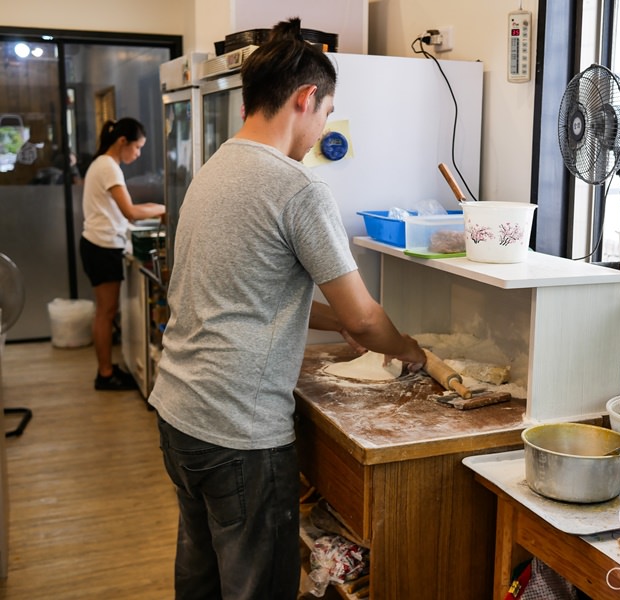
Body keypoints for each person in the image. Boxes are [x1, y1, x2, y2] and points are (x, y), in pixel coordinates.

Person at [148, 18, 426, 600]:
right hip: (238, 431)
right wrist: (408, 350)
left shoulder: (214, 169)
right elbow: (362, 317)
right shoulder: (295, 186)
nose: (324, 125)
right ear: (307, 99)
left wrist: (334, 325)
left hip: (179, 411)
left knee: (200, 576)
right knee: (258, 587)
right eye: (327, 111)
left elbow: (251, 292)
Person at [79, 118, 166, 391]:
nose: (138, 154)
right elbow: (130, 211)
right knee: (105, 313)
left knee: (105, 312)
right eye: (138, 147)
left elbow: (124, 210)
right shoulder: (108, 167)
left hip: (100, 245)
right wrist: (164, 209)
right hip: (101, 247)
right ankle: (105, 375)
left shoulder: (104, 164)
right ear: (122, 142)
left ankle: (106, 369)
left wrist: (158, 207)